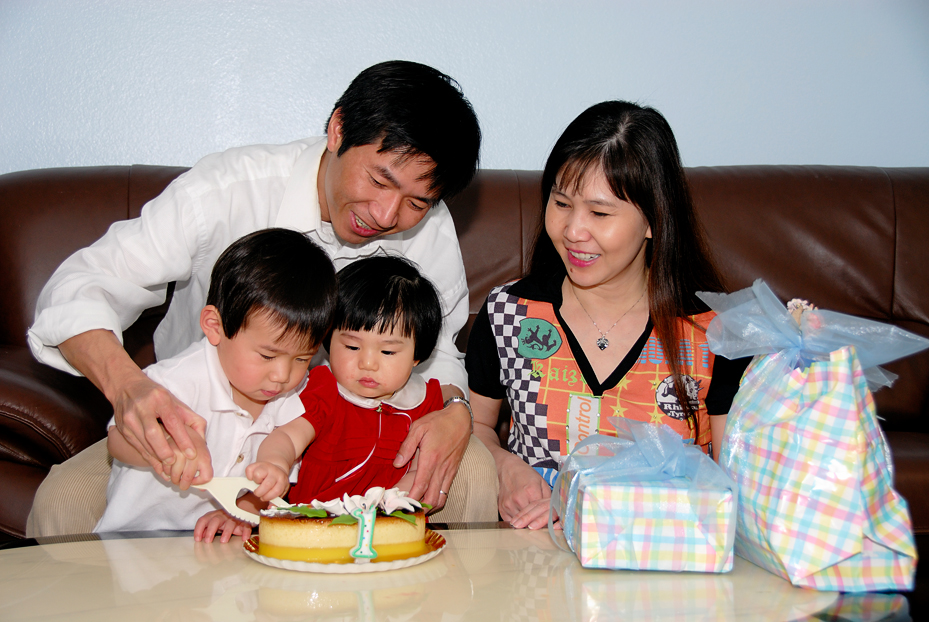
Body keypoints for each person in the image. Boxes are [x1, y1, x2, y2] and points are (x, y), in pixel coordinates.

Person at [27, 60, 485, 536]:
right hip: (199, 431)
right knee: (64, 502)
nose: (387, 214)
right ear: (338, 129)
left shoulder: (429, 229)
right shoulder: (227, 190)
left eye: (416, 202)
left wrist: (458, 411)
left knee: (472, 474)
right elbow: (81, 286)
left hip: (352, 433)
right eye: (379, 180)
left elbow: (440, 351)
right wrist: (130, 388)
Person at [465, 101, 750, 530]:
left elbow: (734, 484)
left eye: (599, 213)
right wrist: (504, 467)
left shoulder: (715, 333)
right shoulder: (509, 313)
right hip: (531, 568)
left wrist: (592, 509)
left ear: (654, 219)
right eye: (561, 203)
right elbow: (475, 429)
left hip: (661, 566)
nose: (573, 231)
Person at [95, 228, 338, 535]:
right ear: (215, 327)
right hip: (134, 540)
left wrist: (243, 512)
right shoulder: (179, 379)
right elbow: (116, 439)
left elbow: (267, 483)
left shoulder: (289, 398)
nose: (282, 376)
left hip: (211, 546)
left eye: (302, 359)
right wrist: (168, 447)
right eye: (267, 356)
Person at [194, 255, 445, 542]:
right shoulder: (323, 389)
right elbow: (287, 437)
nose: (367, 363)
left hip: (381, 531)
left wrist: (392, 504)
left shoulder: (426, 403)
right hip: (308, 527)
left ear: (417, 356)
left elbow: (420, 470)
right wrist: (275, 464)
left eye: (387, 352)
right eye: (351, 346)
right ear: (326, 339)